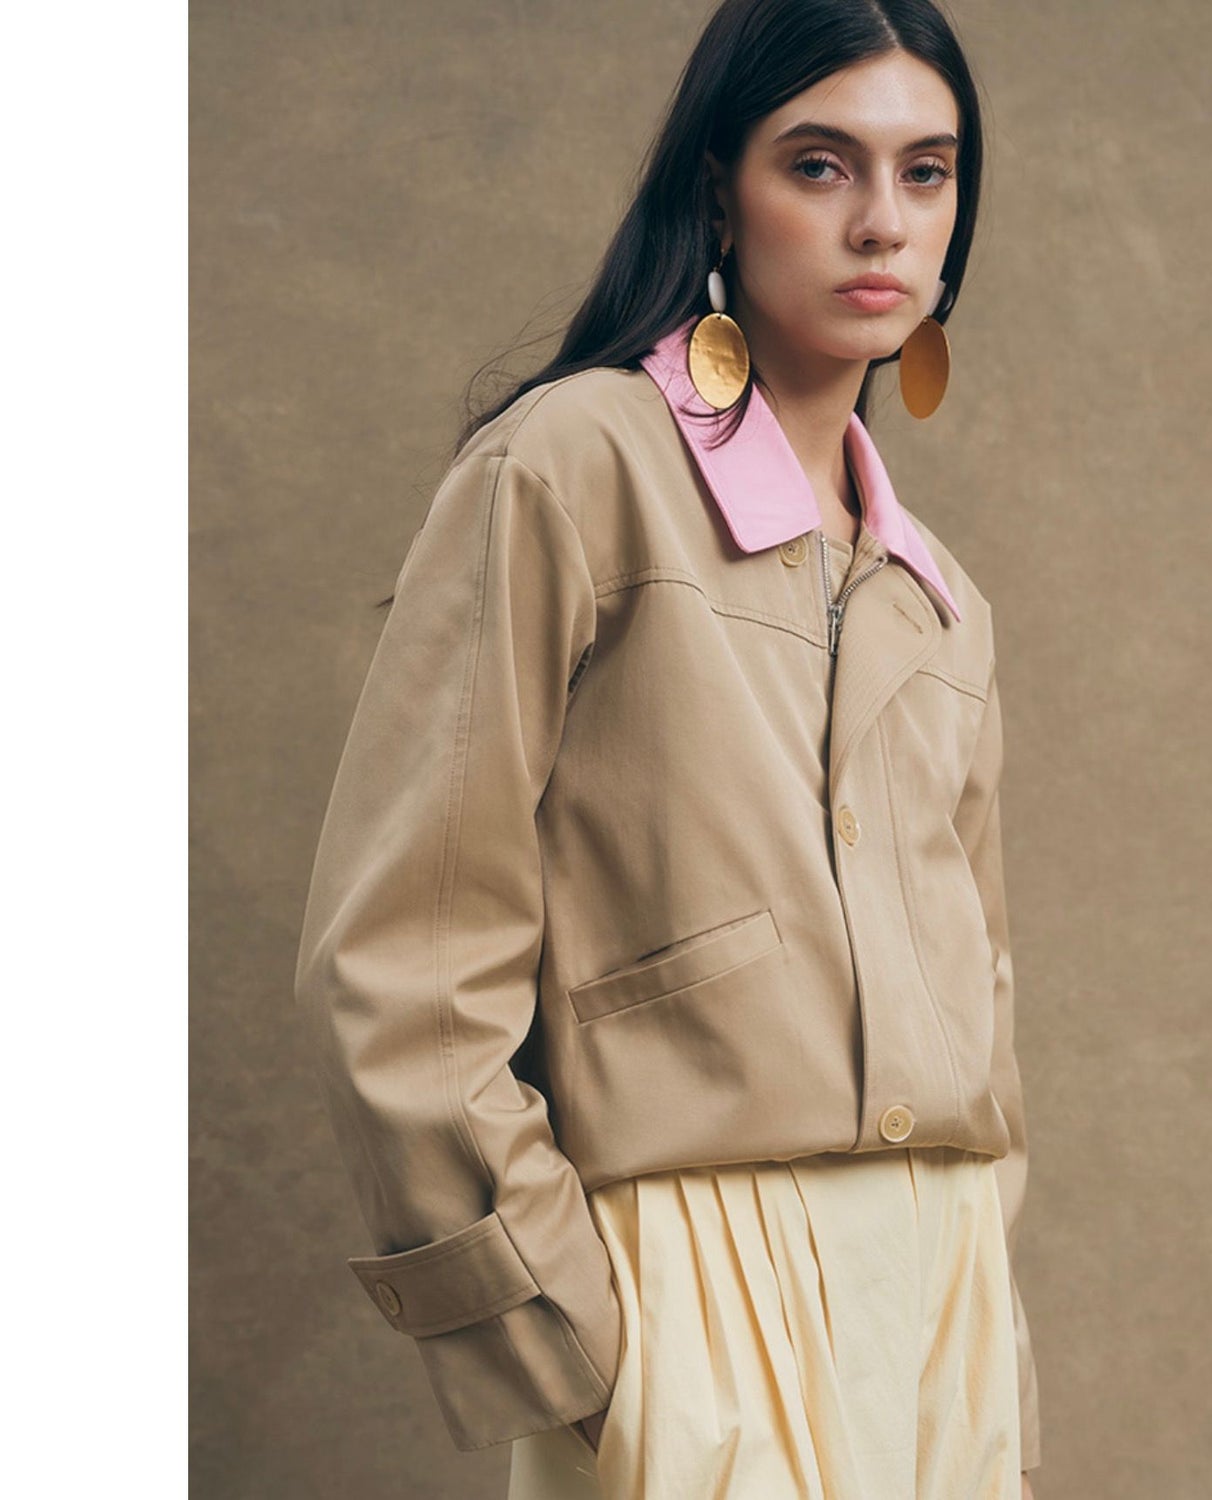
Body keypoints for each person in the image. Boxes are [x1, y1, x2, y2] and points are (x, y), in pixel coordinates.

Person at [294, 1, 1042, 1495]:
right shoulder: (577, 465)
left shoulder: (941, 604)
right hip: (690, 1283)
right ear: (719, 188)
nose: (883, 223)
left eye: (927, 171)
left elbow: (988, 1008)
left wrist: (996, 1364)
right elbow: (402, 959)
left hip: (944, 1292)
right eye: (820, 165)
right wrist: (571, 1337)